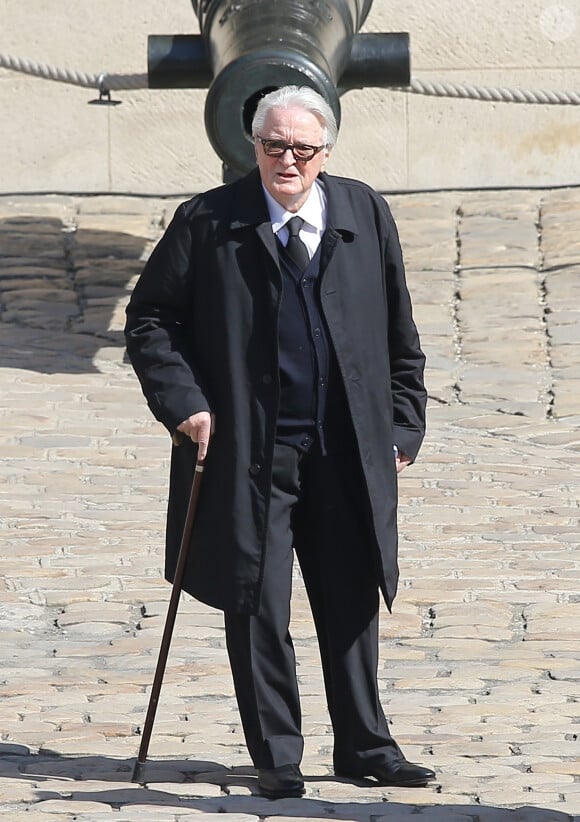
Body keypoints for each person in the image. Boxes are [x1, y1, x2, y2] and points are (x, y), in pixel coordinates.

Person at [125, 85, 434, 799]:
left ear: (326, 153)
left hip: (346, 447)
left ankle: (366, 745)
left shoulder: (363, 211)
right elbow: (151, 319)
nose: (287, 160)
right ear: (253, 148)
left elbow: (398, 332)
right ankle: (278, 755)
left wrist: (403, 422)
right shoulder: (207, 221)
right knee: (256, 602)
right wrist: (187, 406)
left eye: (302, 148)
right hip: (250, 452)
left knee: (353, 596)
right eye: (273, 147)